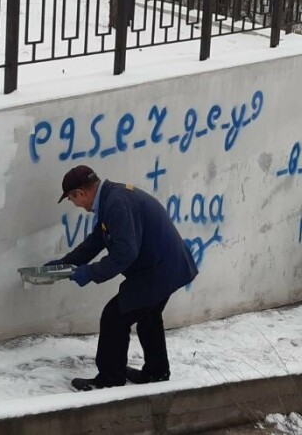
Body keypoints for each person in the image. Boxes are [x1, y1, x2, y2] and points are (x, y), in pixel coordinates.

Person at [46, 165, 199, 391]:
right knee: (149, 316)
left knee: (114, 317)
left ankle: (110, 379)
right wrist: (64, 265)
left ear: (80, 193)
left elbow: (125, 254)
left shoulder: (116, 204)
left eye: (72, 199)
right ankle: (156, 374)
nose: (75, 204)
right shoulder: (111, 199)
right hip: (169, 265)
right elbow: (96, 241)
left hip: (160, 270)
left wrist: (88, 273)